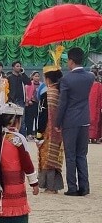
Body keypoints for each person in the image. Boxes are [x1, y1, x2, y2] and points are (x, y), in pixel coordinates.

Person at [56, 47, 94, 196]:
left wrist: (57, 123)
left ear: (71, 61)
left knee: (70, 155)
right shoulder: (90, 77)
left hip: (70, 121)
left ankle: (72, 187)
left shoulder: (66, 79)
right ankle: (84, 187)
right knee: (82, 155)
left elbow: (62, 104)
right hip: (84, 118)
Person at [36, 60, 64, 193]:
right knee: (55, 156)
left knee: (46, 157)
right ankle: (55, 186)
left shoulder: (45, 94)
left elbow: (42, 115)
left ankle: (50, 186)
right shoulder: (61, 93)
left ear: (47, 79)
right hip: (59, 130)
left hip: (47, 130)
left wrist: (38, 134)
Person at [24, 71, 41, 138]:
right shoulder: (28, 84)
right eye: (35, 76)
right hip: (30, 104)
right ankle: (29, 133)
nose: (37, 78)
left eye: (38, 76)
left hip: (39, 104)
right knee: (29, 119)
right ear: (32, 77)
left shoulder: (41, 85)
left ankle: (37, 134)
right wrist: (29, 100)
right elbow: (25, 93)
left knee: (38, 119)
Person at [88, 73, 102, 144]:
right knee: (96, 122)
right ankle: (94, 138)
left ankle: (90, 138)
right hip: (96, 108)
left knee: (90, 121)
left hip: (89, 108)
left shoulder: (86, 85)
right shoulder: (99, 85)